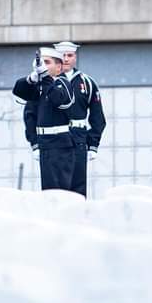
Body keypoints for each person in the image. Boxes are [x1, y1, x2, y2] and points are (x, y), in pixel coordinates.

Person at [14, 47, 75, 191]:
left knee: (61, 188)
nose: (43, 66)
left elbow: (58, 99)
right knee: (48, 189)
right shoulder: (40, 87)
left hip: (61, 143)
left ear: (59, 67)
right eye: (42, 63)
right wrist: (31, 79)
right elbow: (19, 92)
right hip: (44, 143)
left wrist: (45, 77)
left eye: (47, 63)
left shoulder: (63, 83)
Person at [53, 41, 106, 197]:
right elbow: (32, 113)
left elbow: (98, 117)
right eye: (63, 56)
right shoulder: (48, 81)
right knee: (56, 187)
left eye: (70, 55)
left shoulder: (87, 82)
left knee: (77, 185)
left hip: (78, 138)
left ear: (75, 57)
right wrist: (35, 142)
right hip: (54, 139)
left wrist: (93, 144)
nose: (66, 59)